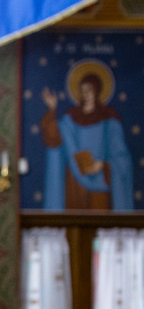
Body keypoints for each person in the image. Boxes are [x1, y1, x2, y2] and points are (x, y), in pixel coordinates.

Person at [41, 69, 134, 211]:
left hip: (101, 182)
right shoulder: (70, 119)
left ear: (97, 90)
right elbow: (54, 141)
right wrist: (52, 108)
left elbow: (121, 156)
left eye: (90, 90)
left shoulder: (109, 119)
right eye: (83, 91)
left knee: (101, 221)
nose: (86, 94)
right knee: (73, 222)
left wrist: (103, 165)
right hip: (74, 184)